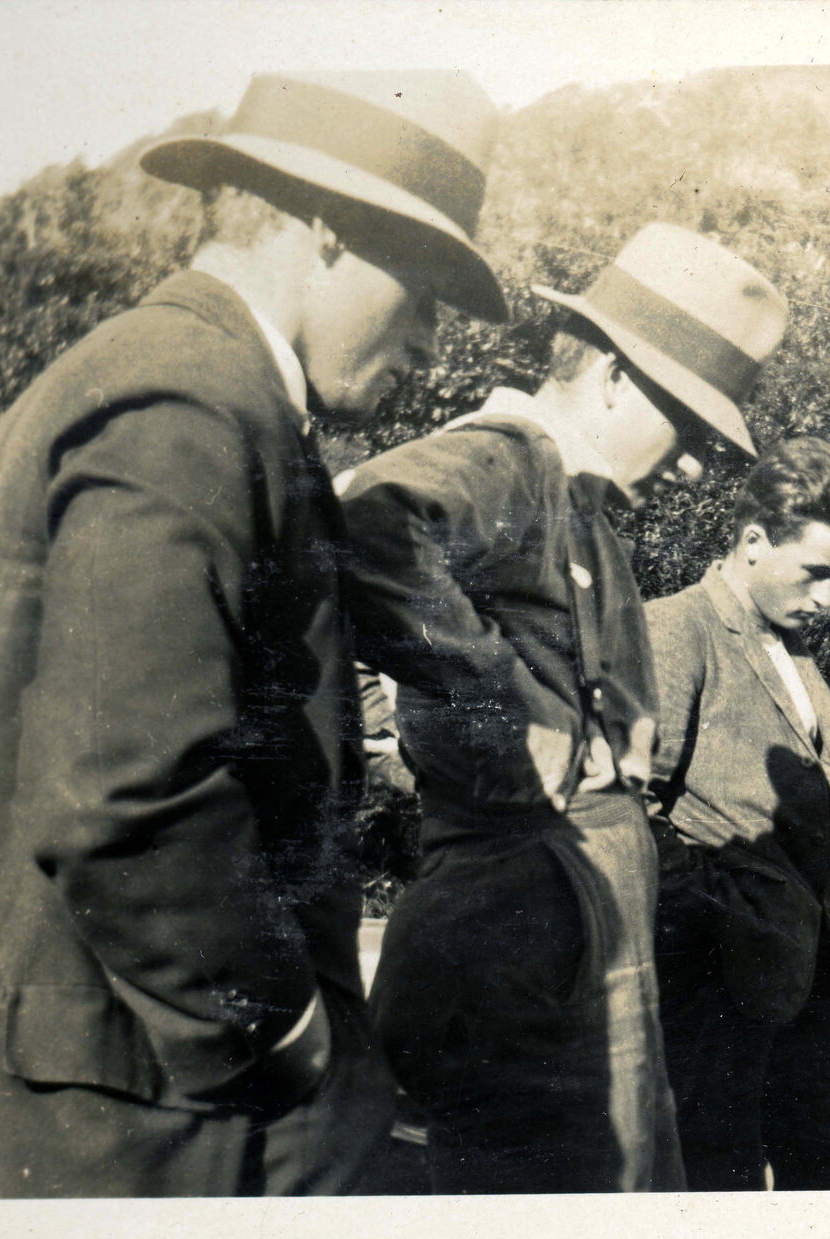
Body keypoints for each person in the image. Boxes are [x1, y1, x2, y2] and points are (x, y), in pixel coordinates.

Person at [0, 71, 509, 1197]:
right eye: (421, 293)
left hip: (117, 1095)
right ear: (325, 229)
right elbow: (127, 787)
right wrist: (272, 1029)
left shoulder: (168, 380)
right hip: (148, 1122)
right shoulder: (191, 401)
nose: (428, 346)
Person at [338, 222, 788, 1193]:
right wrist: (515, 715)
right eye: (691, 427)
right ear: (616, 377)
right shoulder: (515, 463)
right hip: (518, 947)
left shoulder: (579, 503)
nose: (698, 469)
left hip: (571, 941)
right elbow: (374, 524)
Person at [645, 437, 830, 1190]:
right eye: (815, 573)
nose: (828, 599)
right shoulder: (674, 629)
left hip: (803, 978)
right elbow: (631, 807)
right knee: (717, 1186)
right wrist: (712, 915)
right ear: (754, 541)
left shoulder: (792, 650)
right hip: (713, 987)